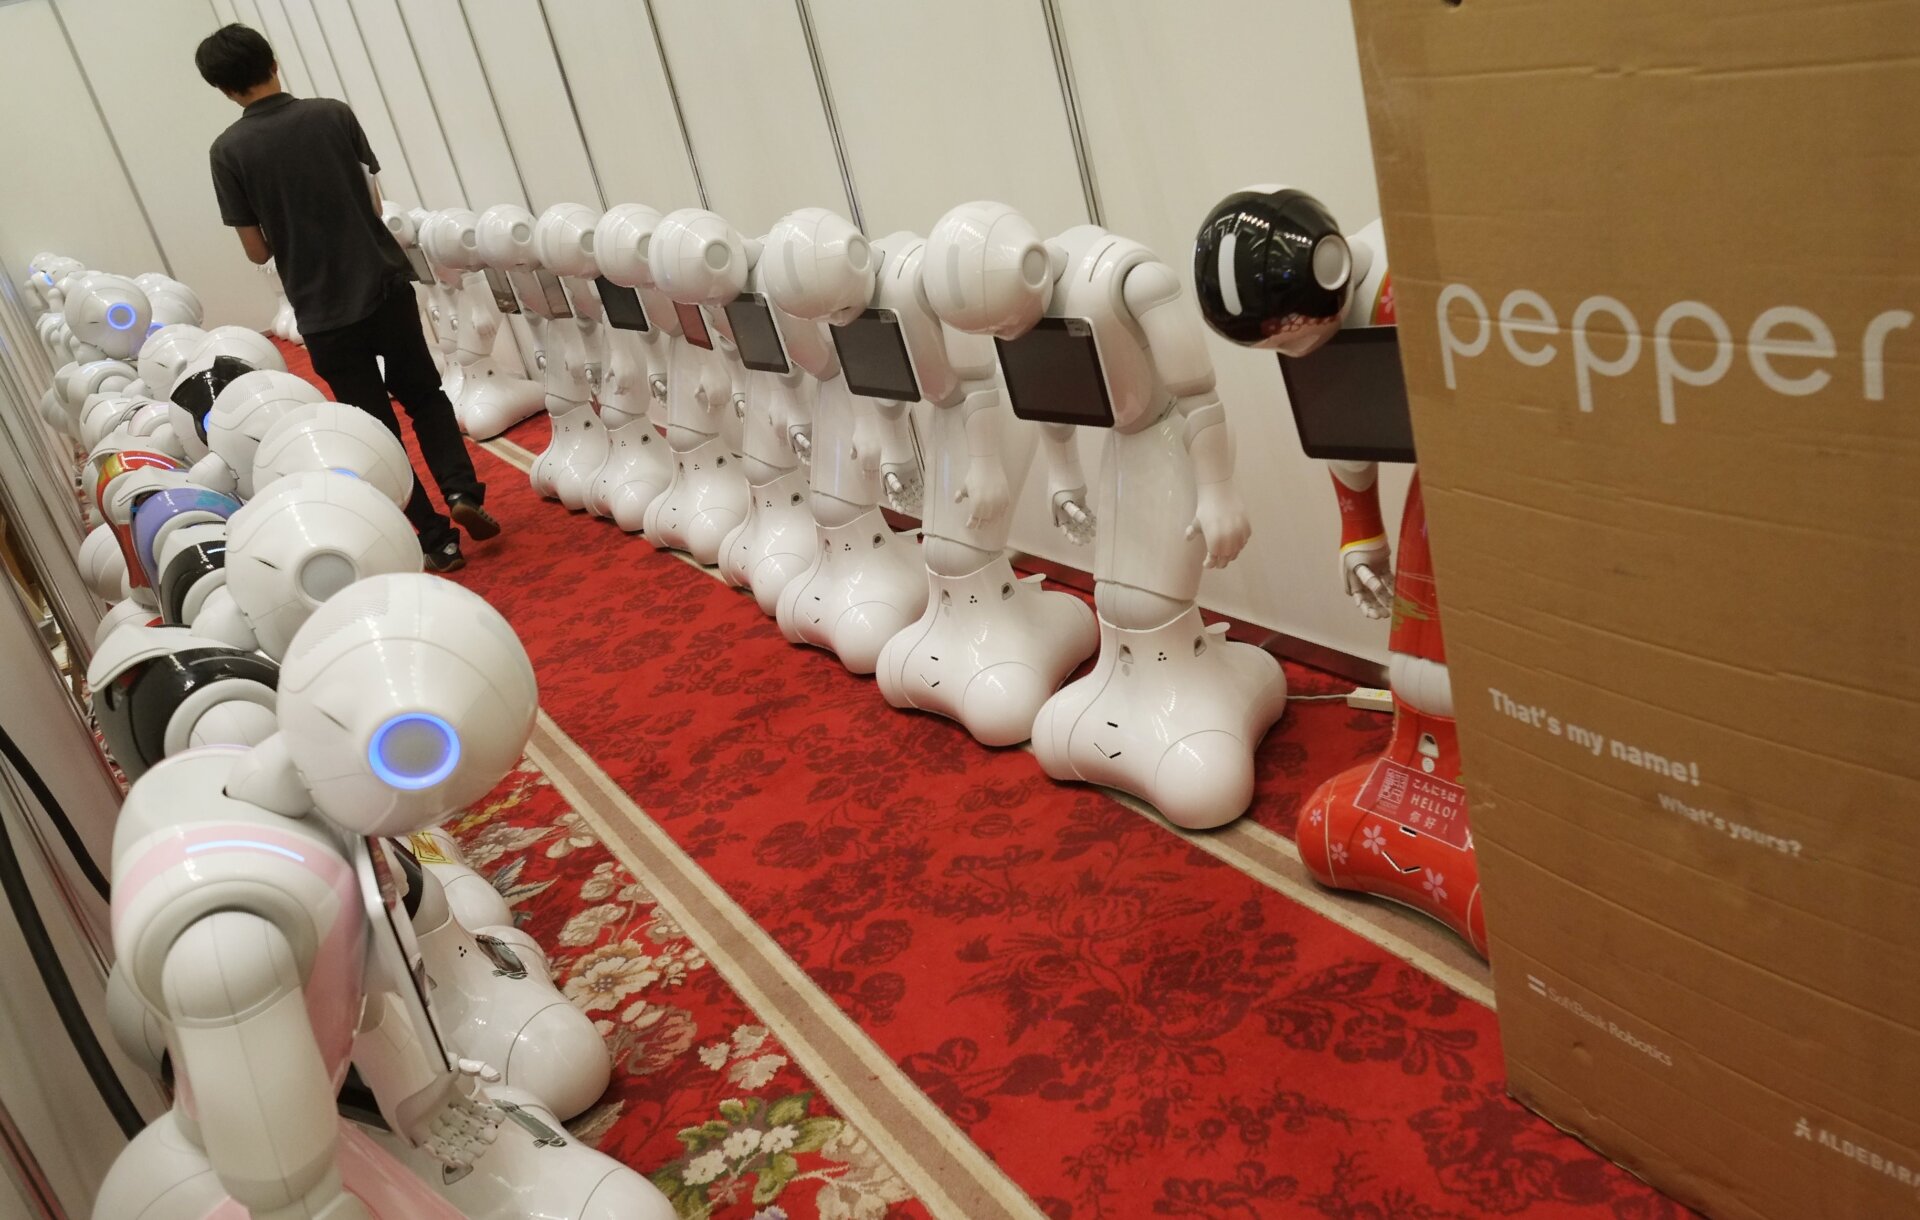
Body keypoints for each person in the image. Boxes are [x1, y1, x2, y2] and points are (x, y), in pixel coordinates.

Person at [194, 23, 498, 572]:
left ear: (222, 89)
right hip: (381, 283)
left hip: (320, 309)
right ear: (273, 62)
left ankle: (435, 538)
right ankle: (462, 492)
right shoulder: (333, 114)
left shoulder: (227, 152)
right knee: (425, 396)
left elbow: (256, 251)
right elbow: (376, 205)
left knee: (373, 430)